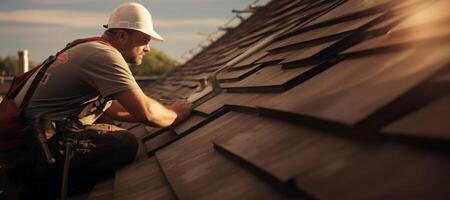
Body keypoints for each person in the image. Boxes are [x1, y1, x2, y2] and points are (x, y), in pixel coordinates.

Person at [12, 2, 192, 198]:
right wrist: (175, 113)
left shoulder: (90, 48)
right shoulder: (104, 55)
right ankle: (41, 189)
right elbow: (146, 112)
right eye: (145, 40)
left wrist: (162, 110)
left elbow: (116, 109)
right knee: (124, 143)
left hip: (28, 142)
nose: (148, 49)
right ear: (123, 36)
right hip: (33, 151)